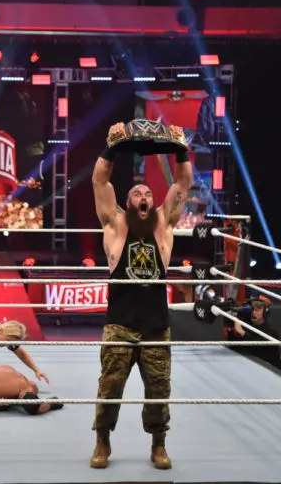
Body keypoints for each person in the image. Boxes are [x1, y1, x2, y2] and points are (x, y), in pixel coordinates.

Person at [89, 121, 192, 470]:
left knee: (159, 389)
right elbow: (99, 182)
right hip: (119, 324)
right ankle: (102, 440)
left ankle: (158, 445)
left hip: (155, 326)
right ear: (127, 202)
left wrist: (180, 149)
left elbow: (182, 184)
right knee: (110, 386)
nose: (143, 197)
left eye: (148, 193)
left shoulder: (163, 226)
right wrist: (112, 146)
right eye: (136, 194)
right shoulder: (115, 225)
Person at [227, 298, 281, 372]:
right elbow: (236, 346)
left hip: (275, 372)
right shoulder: (249, 328)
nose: (253, 313)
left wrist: (241, 332)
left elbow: (255, 345)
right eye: (253, 310)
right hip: (256, 370)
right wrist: (230, 330)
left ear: (265, 312)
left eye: (257, 310)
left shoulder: (271, 331)